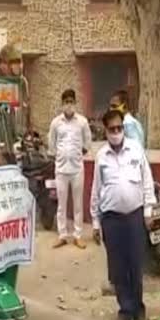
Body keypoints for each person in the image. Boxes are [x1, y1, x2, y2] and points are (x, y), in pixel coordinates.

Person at [90, 109, 155, 320]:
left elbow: (147, 180)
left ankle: (139, 311)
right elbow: (96, 190)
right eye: (112, 129)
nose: (116, 132)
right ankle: (125, 310)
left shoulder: (135, 149)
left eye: (120, 128)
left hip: (135, 216)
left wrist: (148, 212)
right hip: (111, 219)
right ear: (105, 131)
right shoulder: (101, 157)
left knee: (136, 266)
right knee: (118, 268)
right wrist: (96, 223)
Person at [48, 88, 92, 248]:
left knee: (78, 204)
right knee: (61, 205)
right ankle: (62, 235)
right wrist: (60, 157)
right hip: (60, 170)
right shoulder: (55, 123)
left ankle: (78, 235)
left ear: (75, 103)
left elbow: (87, 141)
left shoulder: (82, 122)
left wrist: (79, 153)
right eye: (66, 102)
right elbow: (51, 144)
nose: (68, 105)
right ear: (62, 104)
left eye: (71, 102)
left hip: (77, 169)